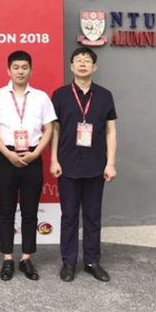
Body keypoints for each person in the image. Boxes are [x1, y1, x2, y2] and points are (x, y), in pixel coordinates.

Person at [0, 50, 56, 281]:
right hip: (6, 157)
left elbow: (50, 128)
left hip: (32, 157)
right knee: (6, 210)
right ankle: (7, 259)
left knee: (30, 211)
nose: (20, 71)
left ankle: (26, 258)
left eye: (24, 67)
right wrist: (7, 153)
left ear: (31, 70)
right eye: (16, 67)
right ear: (8, 70)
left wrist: (36, 154)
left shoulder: (41, 97)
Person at [50, 47, 117, 283]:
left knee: (92, 216)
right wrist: (53, 159)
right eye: (78, 60)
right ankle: (68, 262)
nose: (82, 64)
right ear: (71, 66)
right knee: (69, 216)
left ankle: (91, 261)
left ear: (94, 67)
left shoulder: (105, 96)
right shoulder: (60, 95)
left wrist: (111, 163)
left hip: (96, 165)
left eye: (87, 60)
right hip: (67, 164)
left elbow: (110, 130)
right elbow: (54, 129)